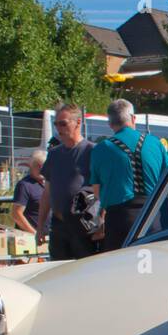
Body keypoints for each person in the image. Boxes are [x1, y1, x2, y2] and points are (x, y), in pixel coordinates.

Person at [90, 99, 168, 251]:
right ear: (133, 118)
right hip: (151, 217)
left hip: (118, 220)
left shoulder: (100, 149)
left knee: (120, 269)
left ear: (110, 123)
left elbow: (96, 191)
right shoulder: (155, 143)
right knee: (152, 267)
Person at [36, 104, 97, 260]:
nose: (59, 128)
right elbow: (47, 193)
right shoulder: (54, 155)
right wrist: (40, 224)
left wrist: (102, 221)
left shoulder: (92, 151)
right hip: (58, 225)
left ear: (78, 122)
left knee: (85, 272)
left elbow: (102, 189)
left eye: (63, 123)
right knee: (58, 272)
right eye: (56, 124)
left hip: (83, 226)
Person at [10, 150, 46, 234]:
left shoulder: (51, 184)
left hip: (52, 239)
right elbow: (16, 214)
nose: (41, 168)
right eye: (37, 165)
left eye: (43, 165)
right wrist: (34, 233)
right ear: (30, 166)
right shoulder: (24, 185)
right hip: (30, 239)